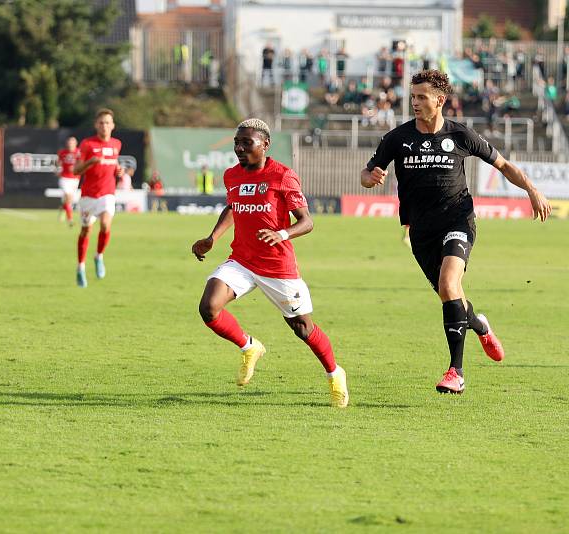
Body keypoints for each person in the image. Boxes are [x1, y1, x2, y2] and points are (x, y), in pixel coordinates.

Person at [361, 70, 551, 394]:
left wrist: (532, 190)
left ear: (440, 100)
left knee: (450, 283)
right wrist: (370, 178)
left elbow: (503, 165)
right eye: (413, 96)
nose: (415, 102)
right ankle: (479, 325)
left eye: (422, 97)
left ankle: (456, 372)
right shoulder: (398, 138)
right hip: (420, 231)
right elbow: (367, 172)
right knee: (451, 296)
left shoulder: (461, 135)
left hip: (458, 220)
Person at [191, 118, 349, 408]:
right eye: (237, 143)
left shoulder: (282, 176)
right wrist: (213, 237)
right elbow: (233, 206)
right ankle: (249, 347)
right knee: (208, 307)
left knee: (302, 328)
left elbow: (307, 221)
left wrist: (282, 233)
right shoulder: (232, 175)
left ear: (265, 145)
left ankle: (334, 374)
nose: (239, 148)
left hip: (277, 266)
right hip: (242, 259)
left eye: (246, 143)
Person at [73, 108, 124, 288]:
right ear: (96, 125)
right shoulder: (87, 144)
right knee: (86, 230)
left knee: (105, 224)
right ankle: (80, 267)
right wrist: (90, 162)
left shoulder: (116, 144)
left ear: (113, 126)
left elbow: (114, 166)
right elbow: (75, 170)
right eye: (101, 123)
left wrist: (119, 171)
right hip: (88, 195)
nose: (104, 126)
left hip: (107, 193)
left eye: (107, 123)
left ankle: (99, 256)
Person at [56, 136, 81, 226]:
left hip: (75, 179)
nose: (70, 144)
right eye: (69, 142)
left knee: (68, 200)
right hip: (64, 178)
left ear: (75, 144)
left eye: (72, 143)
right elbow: (57, 164)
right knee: (68, 196)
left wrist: (76, 168)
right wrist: (57, 170)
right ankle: (70, 219)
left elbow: (82, 164)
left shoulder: (79, 153)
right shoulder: (62, 152)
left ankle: (62, 210)